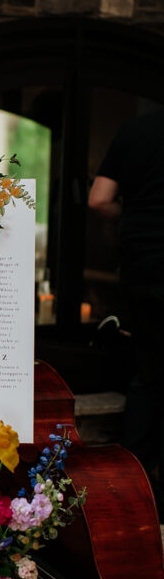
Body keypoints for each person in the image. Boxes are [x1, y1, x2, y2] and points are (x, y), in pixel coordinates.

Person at [88, 109, 164, 516]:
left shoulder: (136, 127)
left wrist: (131, 216)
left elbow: (99, 199)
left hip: (144, 263)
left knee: (149, 373)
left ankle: (129, 491)